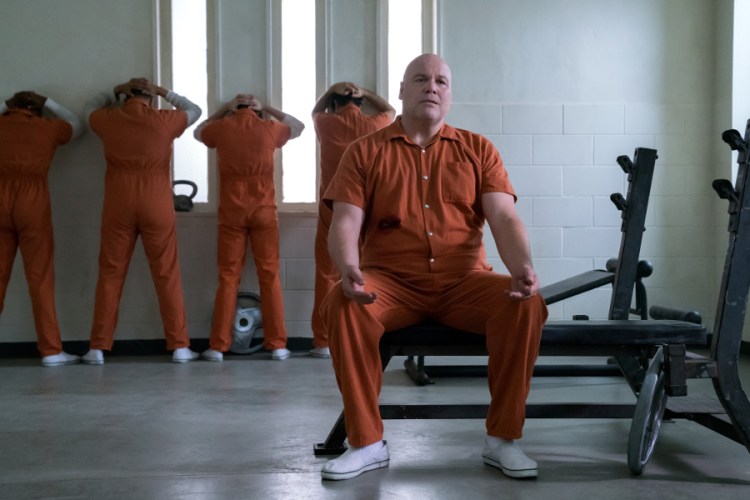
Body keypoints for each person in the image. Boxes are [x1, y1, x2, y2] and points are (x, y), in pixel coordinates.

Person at [319, 54, 548, 481]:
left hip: (465, 282)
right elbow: (346, 220)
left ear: (450, 94)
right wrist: (348, 266)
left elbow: (504, 216)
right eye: (421, 79)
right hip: (390, 283)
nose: (431, 86)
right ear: (401, 90)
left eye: (441, 81)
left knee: (525, 303)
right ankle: (366, 443)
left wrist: (522, 266)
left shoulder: (478, 150)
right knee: (343, 303)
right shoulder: (364, 151)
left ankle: (502, 439)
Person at [82, 78, 201, 365]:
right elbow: (194, 110)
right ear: (151, 99)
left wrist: (114, 90)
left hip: (118, 200)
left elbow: (88, 109)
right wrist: (163, 91)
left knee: (110, 274)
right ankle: (180, 347)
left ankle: (97, 348)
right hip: (156, 200)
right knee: (166, 273)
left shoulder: (108, 120)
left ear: (125, 97)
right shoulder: (165, 120)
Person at [194, 94, 304, 362]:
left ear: (235, 109)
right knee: (270, 276)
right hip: (264, 210)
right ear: (255, 110)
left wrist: (223, 110)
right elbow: (298, 126)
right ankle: (277, 345)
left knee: (228, 277)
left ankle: (218, 347)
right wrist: (267, 107)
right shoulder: (269, 128)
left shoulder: (221, 128)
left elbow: (198, 132)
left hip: (232, 211)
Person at [309, 82, 395, 359]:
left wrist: (332, 90)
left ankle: (323, 341)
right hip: (368, 208)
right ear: (361, 105)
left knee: (327, 271)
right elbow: (391, 110)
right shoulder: (375, 125)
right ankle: (364, 331)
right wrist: (366, 92)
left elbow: (315, 111)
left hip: (333, 205)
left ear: (334, 105)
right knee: (367, 269)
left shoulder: (326, 124)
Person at [0, 91, 83, 366]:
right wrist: (48, 102)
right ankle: (50, 351)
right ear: (37, 110)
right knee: (40, 278)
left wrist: (6, 105)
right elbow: (77, 124)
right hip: (32, 201)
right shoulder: (48, 127)